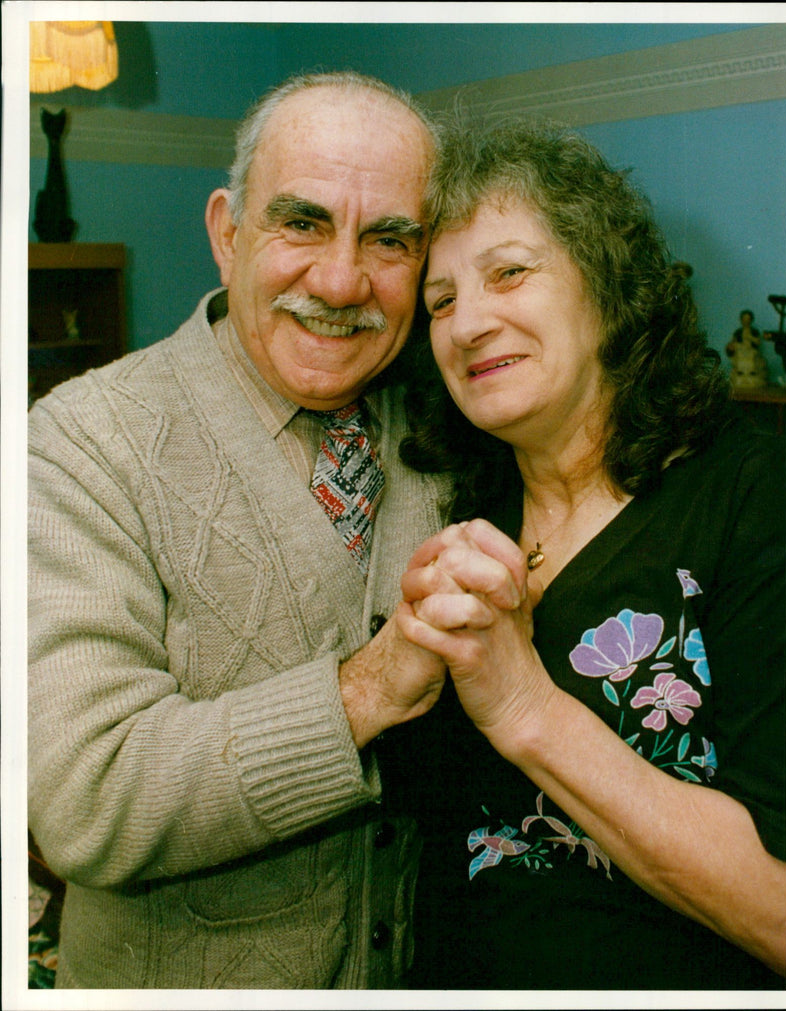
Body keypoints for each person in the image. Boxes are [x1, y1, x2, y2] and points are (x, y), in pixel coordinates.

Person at [27, 71, 453, 990]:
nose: (341, 281)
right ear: (227, 232)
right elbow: (83, 797)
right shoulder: (77, 442)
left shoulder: (449, 428)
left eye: (388, 240)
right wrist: (366, 690)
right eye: (301, 223)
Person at [387, 118, 786, 990]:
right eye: (441, 300)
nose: (468, 323)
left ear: (606, 284)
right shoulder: (453, 511)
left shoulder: (756, 493)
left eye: (509, 272)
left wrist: (526, 706)